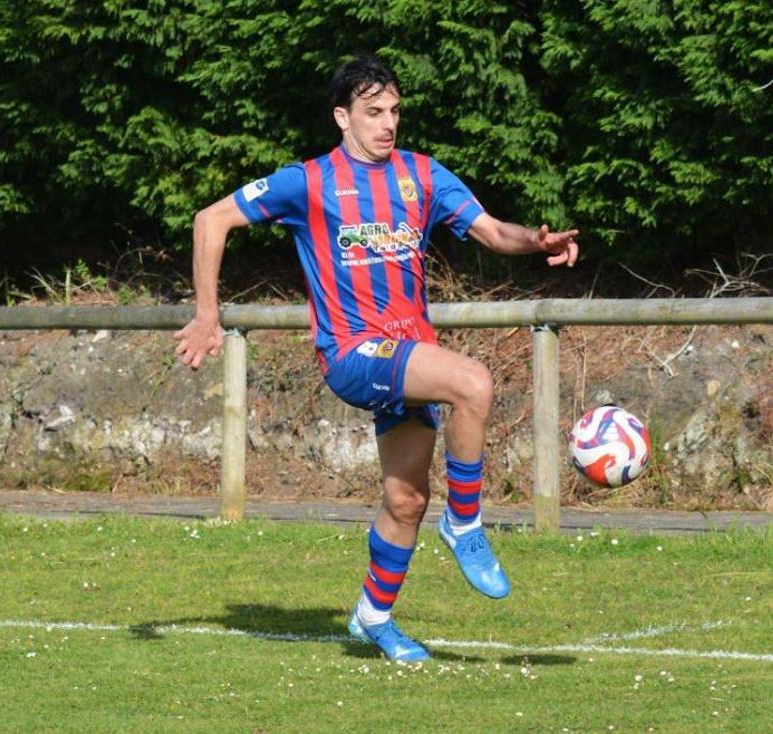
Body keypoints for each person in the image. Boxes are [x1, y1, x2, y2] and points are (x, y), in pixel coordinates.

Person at [174, 55, 578, 662]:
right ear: (343, 118)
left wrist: (536, 241)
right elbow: (212, 220)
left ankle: (372, 617)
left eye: (393, 112)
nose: (387, 124)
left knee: (405, 500)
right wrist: (209, 313)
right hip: (354, 352)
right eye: (373, 113)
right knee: (472, 381)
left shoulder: (423, 174)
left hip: (409, 351)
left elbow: (493, 232)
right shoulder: (308, 182)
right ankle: (465, 523)